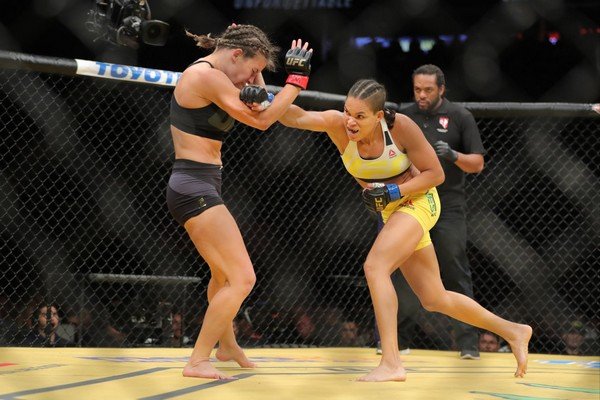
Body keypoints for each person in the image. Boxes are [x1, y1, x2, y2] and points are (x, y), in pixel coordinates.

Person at [256, 78, 532, 381]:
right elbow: (295, 116)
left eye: (360, 116)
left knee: (375, 267)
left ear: (377, 116)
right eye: (348, 112)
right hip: (393, 212)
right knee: (434, 298)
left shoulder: (399, 126)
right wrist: (267, 90)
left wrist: (392, 192)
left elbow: (435, 174)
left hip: (419, 202)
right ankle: (514, 330)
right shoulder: (337, 125)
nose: (350, 121)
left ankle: (391, 362)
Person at [166, 24, 313, 380]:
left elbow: (261, 100)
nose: (254, 76)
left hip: (203, 182)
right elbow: (261, 120)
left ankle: (227, 344)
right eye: (253, 68)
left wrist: (263, 75)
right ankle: (198, 360)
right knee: (242, 277)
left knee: (222, 274)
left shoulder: (224, 75)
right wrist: (296, 82)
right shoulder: (206, 76)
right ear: (235, 55)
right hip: (192, 184)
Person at [389, 64, 486, 359]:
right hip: (411, 204)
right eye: (417, 89)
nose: (421, 95)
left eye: (428, 90)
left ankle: (468, 343)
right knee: (402, 270)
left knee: (454, 270)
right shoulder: (403, 117)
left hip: (448, 206)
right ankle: (400, 342)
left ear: (441, 89)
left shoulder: (460, 116)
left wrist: (454, 156)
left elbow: (477, 164)